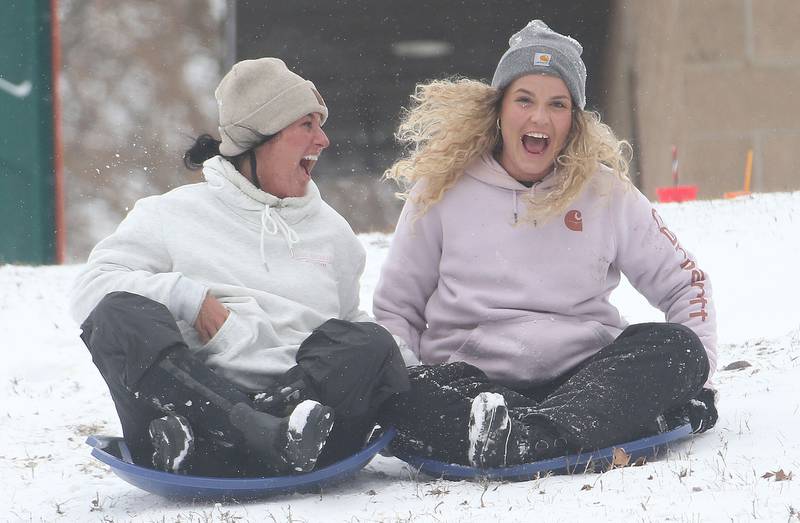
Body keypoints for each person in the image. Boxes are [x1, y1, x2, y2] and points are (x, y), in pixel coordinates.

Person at [373, 20, 718, 469]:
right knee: (396, 388)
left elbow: (685, 284)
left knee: (678, 349)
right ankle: (557, 433)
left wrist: (701, 376)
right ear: (498, 109)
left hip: (585, 382)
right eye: (524, 100)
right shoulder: (440, 190)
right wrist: (412, 383)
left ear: (574, 120)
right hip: (474, 388)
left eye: (558, 104)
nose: (539, 118)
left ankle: (523, 438)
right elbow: (397, 309)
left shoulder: (605, 192)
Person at [70, 57, 408, 477]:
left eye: (320, 125)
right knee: (116, 315)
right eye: (307, 124)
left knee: (368, 341)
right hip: (193, 410)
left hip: (307, 420)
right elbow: (91, 291)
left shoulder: (332, 232)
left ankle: (272, 432)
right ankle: (248, 433)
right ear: (259, 137)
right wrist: (189, 298)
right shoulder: (170, 215)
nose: (323, 140)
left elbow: (349, 323)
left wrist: (404, 363)